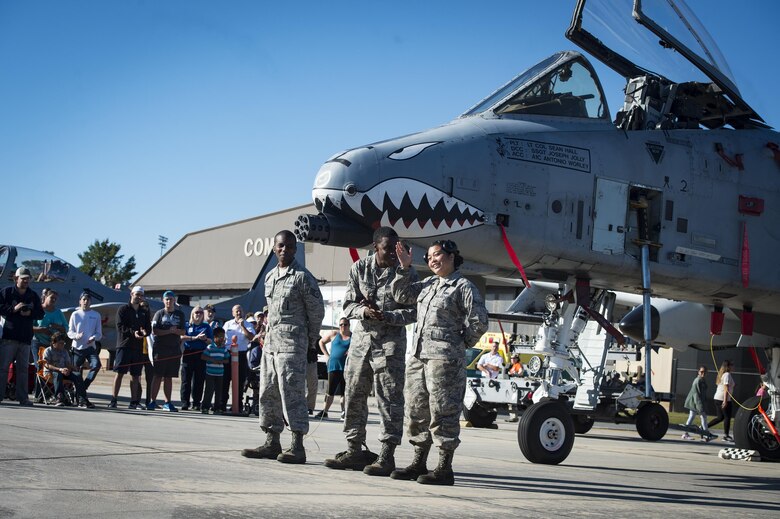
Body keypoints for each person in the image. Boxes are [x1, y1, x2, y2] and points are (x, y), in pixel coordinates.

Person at [390, 239, 488, 485]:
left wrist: (459, 344)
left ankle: (444, 467)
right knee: (416, 410)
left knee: (443, 411)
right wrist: (404, 268)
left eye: (437, 255)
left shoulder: (463, 286)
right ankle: (418, 462)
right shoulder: (429, 283)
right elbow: (402, 294)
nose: (432, 260)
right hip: (419, 357)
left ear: (452, 256)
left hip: (444, 361)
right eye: (429, 257)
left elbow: (479, 321)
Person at [324, 227, 417, 476]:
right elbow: (348, 304)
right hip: (361, 344)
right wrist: (363, 312)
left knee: (389, 399)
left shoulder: (405, 271)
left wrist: (388, 316)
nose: (393, 253)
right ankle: (354, 449)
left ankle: (387, 455)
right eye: (388, 248)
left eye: (397, 248)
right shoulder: (360, 268)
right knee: (353, 394)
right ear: (376, 246)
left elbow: (413, 311)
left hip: (390, 346)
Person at [241, 230, 324, 464]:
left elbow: (316, 312)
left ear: (294, 249)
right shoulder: (270, 277)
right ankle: (271, 441)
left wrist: (311, 341)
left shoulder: (303, 277)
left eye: (288, 246)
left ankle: (297, 445)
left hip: (293, 346)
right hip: (271, 345)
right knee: (268, 392)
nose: (284, 250)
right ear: (274, 248)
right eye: (280, 246)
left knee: (293, 394)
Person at [0, 267, 44, 406]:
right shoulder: (7, 292)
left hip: (25, 338)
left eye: (27, 279)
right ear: (16, 278)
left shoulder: (32, 295)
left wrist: (30, 313)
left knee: (23, 370)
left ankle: (23, 398)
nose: (25, 281)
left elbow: (40, 313)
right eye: (23, 278)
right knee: (3, 368)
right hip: (9, 336)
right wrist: (13, 309)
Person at [111, 286, 151, 409]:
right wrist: (132, 332)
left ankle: (134, 401)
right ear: (131, 294)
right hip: (124, 346)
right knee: (120, 373)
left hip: (138, 348)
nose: (138, 297)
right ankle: (114, 399)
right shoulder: (123, 309)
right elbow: (119, 326)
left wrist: (145, 332)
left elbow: (148, 328)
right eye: (136, 294)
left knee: (136, 375)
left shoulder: (144, 312)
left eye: (141, 295)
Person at [149, 290, 186, 411]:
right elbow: (155, 331)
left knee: (169, 377)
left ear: (174, 300)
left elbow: (183, 331)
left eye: (171, 299)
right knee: (158, 375)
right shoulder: (159, 314)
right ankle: (152, 401)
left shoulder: (180, 315)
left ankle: (167, 402)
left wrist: (176, 332)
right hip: (160, 349)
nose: (169, 301)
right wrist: (169, 331)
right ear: (163, 301)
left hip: (174, 349)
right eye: (167, 299)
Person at [32, 289, 68, 402]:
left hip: (52, 344)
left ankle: (49, 394)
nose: (53, 300)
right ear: (45, 297)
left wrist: (57, 326)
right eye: (51, 297)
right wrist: (41, 330)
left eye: (55, 299)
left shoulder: (58, 312)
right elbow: (29, 326)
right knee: (41, 366)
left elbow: (66, 328)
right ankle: (39, 395)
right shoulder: (38, 310)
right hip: (37, 341)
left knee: (52, 368)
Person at [43, 332, 93, 407]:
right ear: (54, 343)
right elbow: (46, 365)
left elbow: (68, 364)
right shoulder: (48, 351)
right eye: (60, 343)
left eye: (63, 343)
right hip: (50, 373)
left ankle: (82, 399)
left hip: (64, 372)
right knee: (58, 374)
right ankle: (59, 398)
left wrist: (70, 369)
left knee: (77, 375)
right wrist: (60, 369)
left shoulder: (64, 352)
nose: (63, 345)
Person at [314, 317, 352, 419]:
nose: (343, 327)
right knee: (330, 391)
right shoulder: (334, 334)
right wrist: (326, 355)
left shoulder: (353, 337)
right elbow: (321, 342)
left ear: (349, 325)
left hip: (347, 368)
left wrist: (351, 351)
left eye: (345, 324)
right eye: (341, 325)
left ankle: (344, 411)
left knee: (344, 392)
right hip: (334, 366)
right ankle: (325, 411)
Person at [67, 292, 103, 395]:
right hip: (77, 347)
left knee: (96, 365)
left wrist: (93, 337)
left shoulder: (96, 315)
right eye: (84, 299)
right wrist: (76, 336)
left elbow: (99, 333)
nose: (85, 302)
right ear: (80, 301)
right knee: (76, 372)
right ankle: (78, 394)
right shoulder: (75, 314)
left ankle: (84, 386)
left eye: (88, 300)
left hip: (90, 347)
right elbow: (70, 332)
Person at [222, 304, 255, 412]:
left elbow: (251, 337)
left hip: (241, 355)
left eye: (240, 311)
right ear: (232, 313)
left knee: (240, 381)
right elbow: (222, 339)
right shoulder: (227, 324)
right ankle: (222, 404)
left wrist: (243, 327)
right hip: (228, 354)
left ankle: (237, 405)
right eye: (236, 311)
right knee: (225, 380)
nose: (238, 313)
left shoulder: (248, 324)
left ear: (243, 312)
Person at [180, 306, 213, 411]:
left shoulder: (206, 326)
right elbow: (181, 337)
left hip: (201, 354)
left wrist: (205, 339)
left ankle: (196, 402)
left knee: (199, 380)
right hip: (188, 353)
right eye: (196, 312)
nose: (198, 314)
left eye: (200, 312)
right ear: (192, 314)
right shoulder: (187, 325)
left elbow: (211, 341)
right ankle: (185, 402)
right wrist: (193, 338)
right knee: (186, 379)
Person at [682, 366, 716, 442]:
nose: (703, 373)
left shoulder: (702, 380)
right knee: (703, 417)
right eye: (701, 372)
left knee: (692, 417)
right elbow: (696, 395)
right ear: (698, 372)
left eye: (704, 372)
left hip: (697, 402)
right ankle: (706, 434)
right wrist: (700, 407)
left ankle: (686, 434)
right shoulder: (697, 381)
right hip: (694, 402)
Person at [201, 327, 229, 414]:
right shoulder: (210, 347)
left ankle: (217, 408)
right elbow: (203, 356)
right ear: (215, 337)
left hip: (220, 374)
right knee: (209, 390)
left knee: (219, 391)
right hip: (210, 373)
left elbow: (227, 359)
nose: (222, 339)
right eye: (220, 336)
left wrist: (222, 361)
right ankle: (205, 407)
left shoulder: (224, 349)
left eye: (223, 337)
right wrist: (212, 360)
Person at [708, 360, 735, 442]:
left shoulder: (722, 374)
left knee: (720, 417)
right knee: (727, 417)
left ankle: (704, 427)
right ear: (728, 366)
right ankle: (726, 436)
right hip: (723, 399)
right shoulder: (727, 374)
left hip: (717, 398)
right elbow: (726, 388)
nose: (733, 367)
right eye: (732, 365)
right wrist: (725, 401)